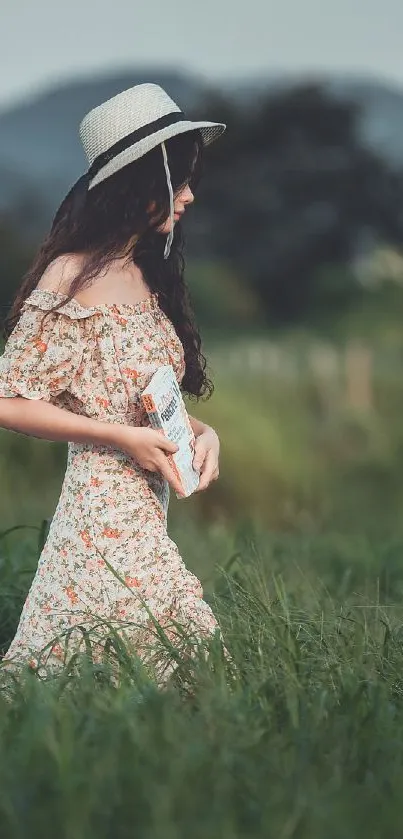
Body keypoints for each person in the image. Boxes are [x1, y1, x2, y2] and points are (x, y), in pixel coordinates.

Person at [0, 82, 228, 686]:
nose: (189, 196)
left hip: (147, 508)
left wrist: (204, 434)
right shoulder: (70, 273)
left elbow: (151, 399)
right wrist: (119, 438)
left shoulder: (144, 274)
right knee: (173, 662)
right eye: (177, 181)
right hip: (99, 505)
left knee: (142, 671)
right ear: (138, 186)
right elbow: (8, 400)